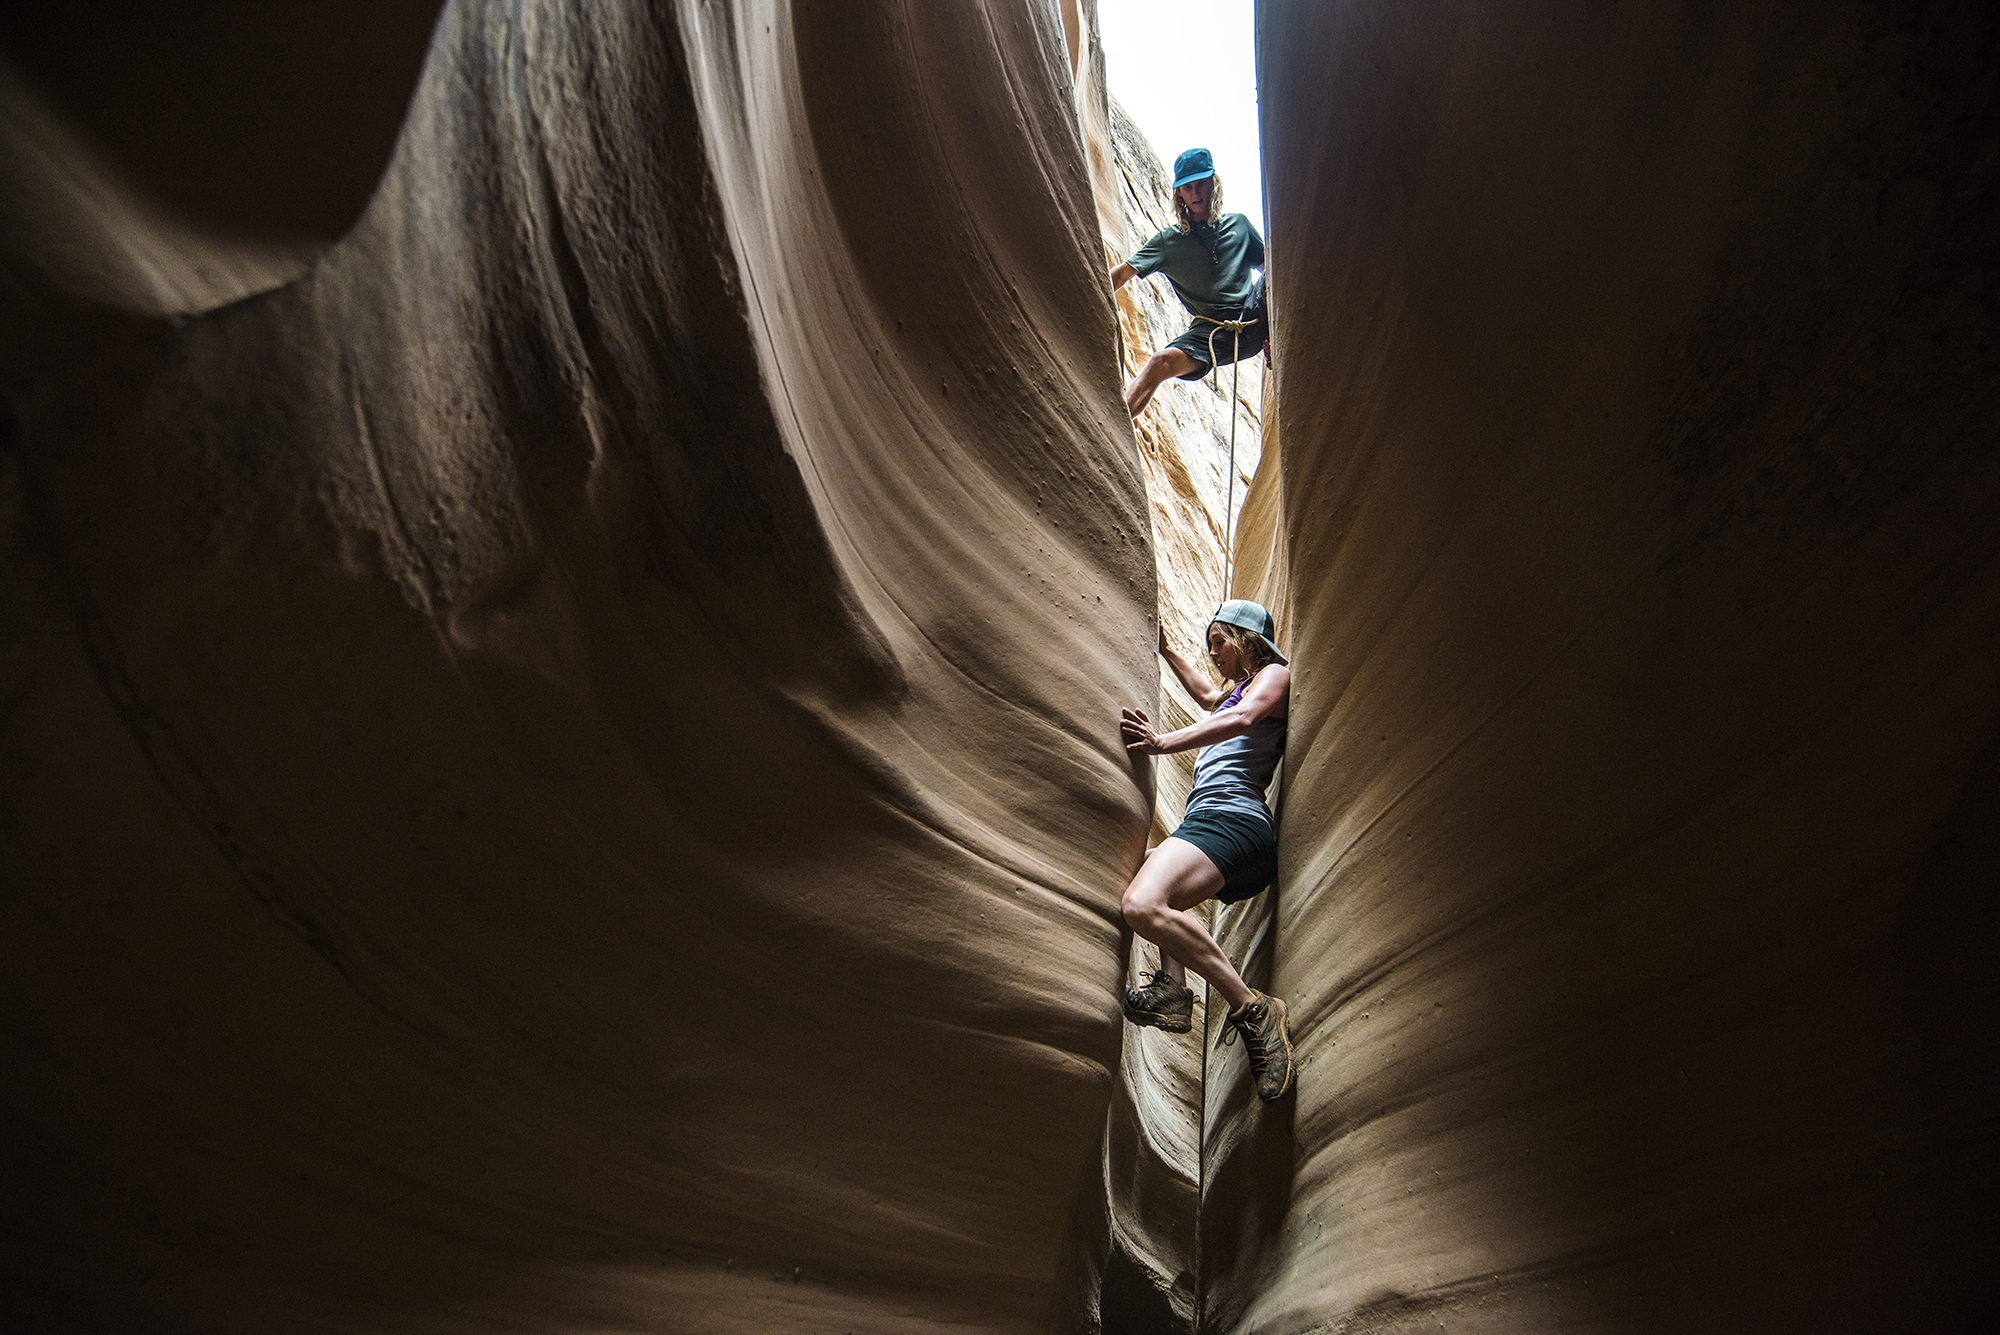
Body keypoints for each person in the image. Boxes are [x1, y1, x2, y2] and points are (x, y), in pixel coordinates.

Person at [1118, 599, 1295, 1102]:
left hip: (1235, 819)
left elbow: (1242, 719)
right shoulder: (1230, 694)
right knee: (1151, 872)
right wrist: (1168, 649)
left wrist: (1161, 743)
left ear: (1245, 640)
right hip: (1209, 820)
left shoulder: (1274, 676)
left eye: (1220, 642)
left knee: (1142, 904)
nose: (1213, 653)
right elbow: (1206, 695)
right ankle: (1173, 992)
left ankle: (1253, 1008)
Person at [1109, 147, 1269, 419]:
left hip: (1252, 318)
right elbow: (1122, 274)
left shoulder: (1239, 226)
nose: (1196, 193)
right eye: (1188, 187)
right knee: (1161, 362)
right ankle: (1113, 430)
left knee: (1278, 263)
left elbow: (1275, 274)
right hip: (1211, 332)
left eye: (1201, 184)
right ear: (1179, 193)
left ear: (1213, 184)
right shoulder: (1168, 242)